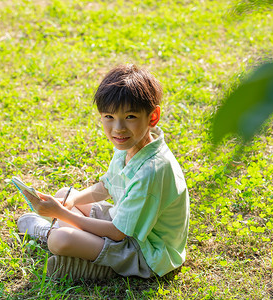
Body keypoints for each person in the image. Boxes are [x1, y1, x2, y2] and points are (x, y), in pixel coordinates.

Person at [17, 64, 190, 280]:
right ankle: (89, 256)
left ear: (152, 117)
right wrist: (71, 203)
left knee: (59, 240)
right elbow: (107, 185)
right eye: (109, 116)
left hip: (146, 252)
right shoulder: (128, 144)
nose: (118, 128)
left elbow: (118, 233)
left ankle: (71, 247)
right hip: (127, 225)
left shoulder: (152, 171)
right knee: (65, 195)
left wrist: (60, 214)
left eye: (130, 117)